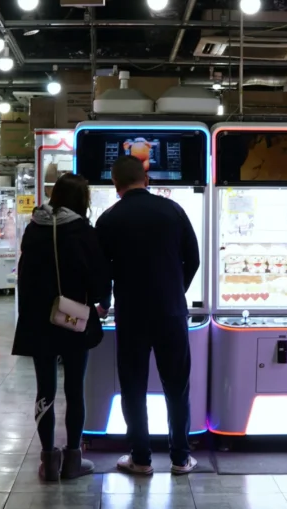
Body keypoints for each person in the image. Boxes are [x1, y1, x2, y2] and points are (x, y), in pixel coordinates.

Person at [96, 155, 201, 476]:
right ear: (147, 179)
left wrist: (104, 302)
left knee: (133, 385)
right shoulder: (172, 210)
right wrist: (175, 291)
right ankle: (181, 458)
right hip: (171, 312)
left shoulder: (109, 219)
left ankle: (140, 458)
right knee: (176, 386)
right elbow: (193, 258)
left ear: (115, 185)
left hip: (131, 313)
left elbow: (102, 273)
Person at [12, 174, 111, 481]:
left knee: (45, 390)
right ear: (82, 201)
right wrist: (101, 303)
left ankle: (48, 461)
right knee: (74, 389)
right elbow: (98, 275)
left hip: (38, 320)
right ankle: (72, 459)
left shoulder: (33, 228)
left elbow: (24, 273)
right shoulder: (83, 230)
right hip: (73, 318)